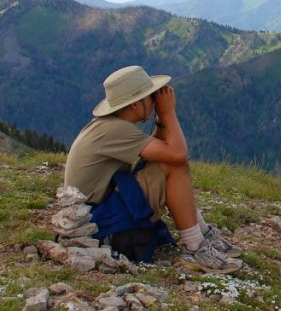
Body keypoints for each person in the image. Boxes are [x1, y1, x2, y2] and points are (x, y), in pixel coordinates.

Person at [65, 65, 242, 273]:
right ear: (134, 104)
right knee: (174, 166)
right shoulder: (116, 130)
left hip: (96, 211)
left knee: (166, 164)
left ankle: (203, 235)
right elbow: (177, 155)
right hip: (98, 223)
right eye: (150, 96)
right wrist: (168, 113)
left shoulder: (110, 125)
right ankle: (196, 247)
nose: (154, 100)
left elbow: (158, 152)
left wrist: (159, 120)